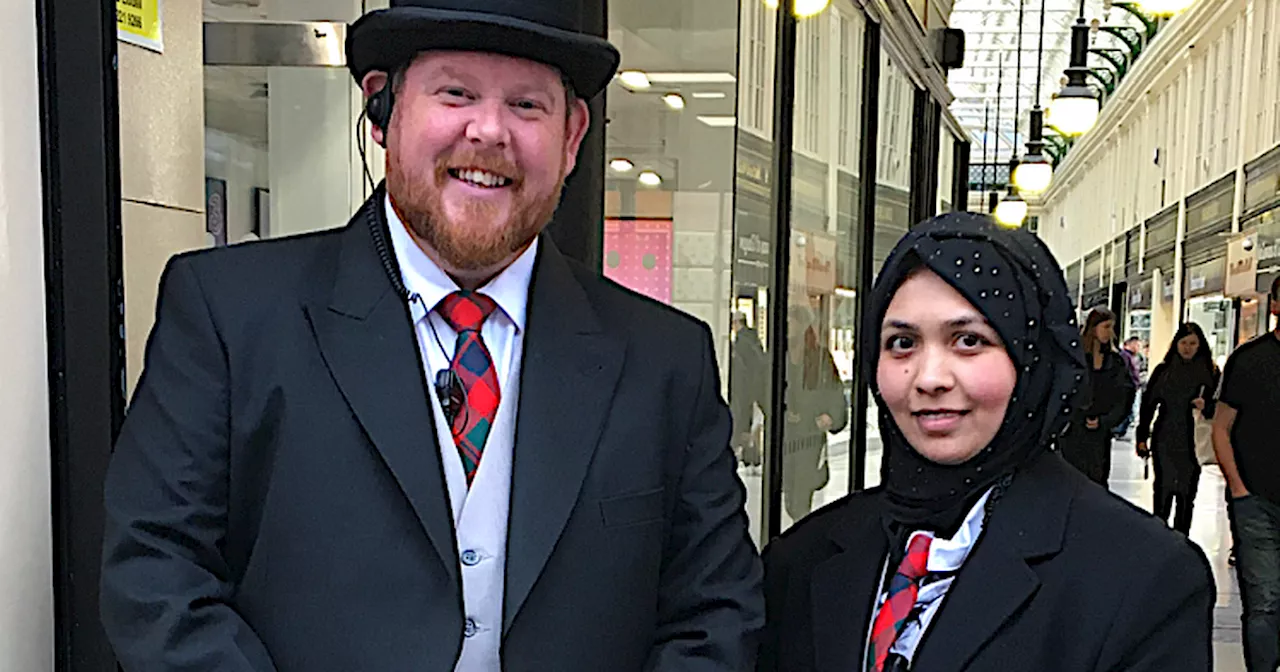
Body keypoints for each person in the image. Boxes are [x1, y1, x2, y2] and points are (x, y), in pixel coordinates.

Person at [98, 2, 764, 670]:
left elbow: (716, 610)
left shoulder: (663, 359)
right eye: (456, 93)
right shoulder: (230, 315)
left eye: (527, 106)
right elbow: (158, 576)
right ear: (383, 111)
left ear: (572, 138)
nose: (489, 131)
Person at [757, 213, 1212, 672]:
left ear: (1030, 359)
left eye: (969, 340)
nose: (929, 377)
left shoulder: (1141, 579)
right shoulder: (802, 561)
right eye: (901, 342)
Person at [1214, 275, 1280, 671]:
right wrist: (1239, 488)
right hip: (1255, 499)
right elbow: (1222, 427)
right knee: (1265, 601)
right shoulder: (1250, 360)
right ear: (1274, 306)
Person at [1135, 323, 1219, 534]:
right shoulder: (1164, 371)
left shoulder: (1210, 373)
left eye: (1192, 343)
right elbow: (1148, 405)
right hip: (1165, 436)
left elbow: (1222, 406)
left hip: (1193, 440)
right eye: (1183, 343)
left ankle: (1182, 539)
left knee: (1187, 494)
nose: (1187, 348)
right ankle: (1159, 535)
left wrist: (1206, 406)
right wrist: (1142, 436)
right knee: (1162, 490)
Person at [780, 305, 848, 522]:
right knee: (789, 493)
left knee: (801, 494)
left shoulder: (819, 357)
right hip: (786, 434)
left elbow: (835, 392)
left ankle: (800, 535)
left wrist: (830, 416)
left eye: (792, 321)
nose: (788, 326)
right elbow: (764, 389)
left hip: (809, 436)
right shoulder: (780, 355)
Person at [1060, 307, 1135, 487]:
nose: (1110, 332)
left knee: (1097, 481)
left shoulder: (1115, 362)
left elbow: (1124, 395)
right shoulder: (1074, 360)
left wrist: (1107, 421)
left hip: (1099, 434)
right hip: (1073, 432)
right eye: (1106, 327)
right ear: (1093, 328)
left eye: (1111, 327)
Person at [731, 311, 767, 468]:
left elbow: (742, 370)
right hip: (758, 389)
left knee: (744, 423)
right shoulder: (754, 340)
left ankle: (748, 454)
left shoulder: (741, 342)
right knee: (755, 424)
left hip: (746, 389)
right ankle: (752, 455)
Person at [1112, 337, 1145, 437]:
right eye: (1136, 345)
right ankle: (1118, 429)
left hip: (1133, 385)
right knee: (1127, 409)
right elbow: (1126, 371)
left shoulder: (1134, 356)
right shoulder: (1124, 356)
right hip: (1128, 386)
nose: (1138, 347)